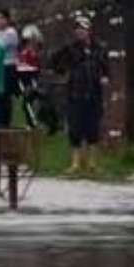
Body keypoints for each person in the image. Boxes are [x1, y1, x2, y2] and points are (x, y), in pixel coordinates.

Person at [53, 14, 110, 174]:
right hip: (75, 93)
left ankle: (93, 163)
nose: (80, 32)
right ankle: (76, 163)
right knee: (75, 128)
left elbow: (105, 68)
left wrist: (104, 77)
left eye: (83, 29)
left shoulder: (99, 48)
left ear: (89, 31)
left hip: (93, 93)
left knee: (93, 127)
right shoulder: (70, 48)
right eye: (78, 29)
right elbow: (56, 62)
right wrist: (64, 70)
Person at [0, 8, 19, 129]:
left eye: (1, 18)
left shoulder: (10, 33)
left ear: (7, 20)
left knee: (5, 96)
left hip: (8, 67)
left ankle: (4, 124)